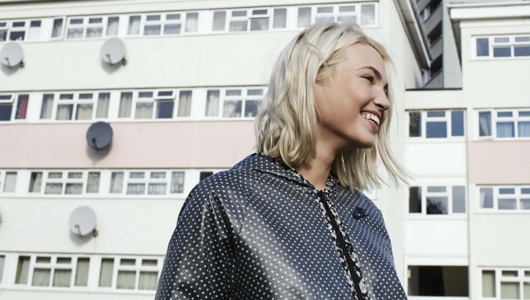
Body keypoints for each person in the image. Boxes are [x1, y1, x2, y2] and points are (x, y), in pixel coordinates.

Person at [155, 22, 408, 299]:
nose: (384, 101)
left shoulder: (368, 215)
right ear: (311, 78)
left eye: (385, 89)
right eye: (368, 79)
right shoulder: (227, 199)